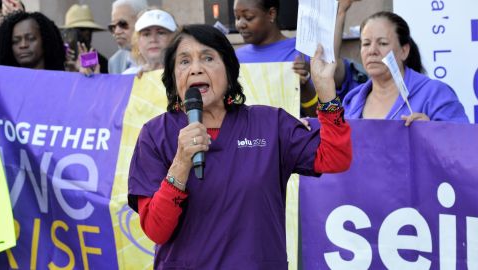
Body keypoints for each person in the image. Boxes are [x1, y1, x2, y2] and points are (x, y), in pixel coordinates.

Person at [127, 24, 351, 269]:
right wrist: (180, 164)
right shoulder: (155, 135)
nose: (195, 69)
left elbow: (335, 158)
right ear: (172, 77)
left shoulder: (269, 124)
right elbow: (156, 231)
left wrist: (326, 89)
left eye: (208, 58)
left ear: (229, 70)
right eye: (184, 62)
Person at [233, 0, 366, 116]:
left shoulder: (302, 51)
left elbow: (319, 111)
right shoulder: (235, 57)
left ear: (271, 14)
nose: (240, 24)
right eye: (237, 17)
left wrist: (340, 11)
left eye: (248, 17)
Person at [342, 11, 469, 125]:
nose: (372, 51)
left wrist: (432, 134)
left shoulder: (435, 94)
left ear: (404, 51)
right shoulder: (351, 102)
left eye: (383, 43)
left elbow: (462, 144)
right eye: (366, 43)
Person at [0, 11, 65, 71]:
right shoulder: (3, 83)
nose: (23, 45)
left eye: (31, 38)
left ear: (45, 40)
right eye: (16, 41)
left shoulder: (65, 80)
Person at [123, 8, 177, 75]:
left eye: (161, 33)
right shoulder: (128, 76)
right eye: (146, 34)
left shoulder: (186, 73)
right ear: (137, 41)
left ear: (175, 39)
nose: (153, 40)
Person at [61, 4, 108, 73]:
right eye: (81, 29)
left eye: (89, 29)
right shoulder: (59, 58)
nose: (87, 33)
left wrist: (88, 67)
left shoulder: (99, 61)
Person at [108, 0, 148, 74]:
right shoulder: (115, 62)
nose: (117, 31)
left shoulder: (160, 55)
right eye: (113, 27)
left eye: (122, 24)